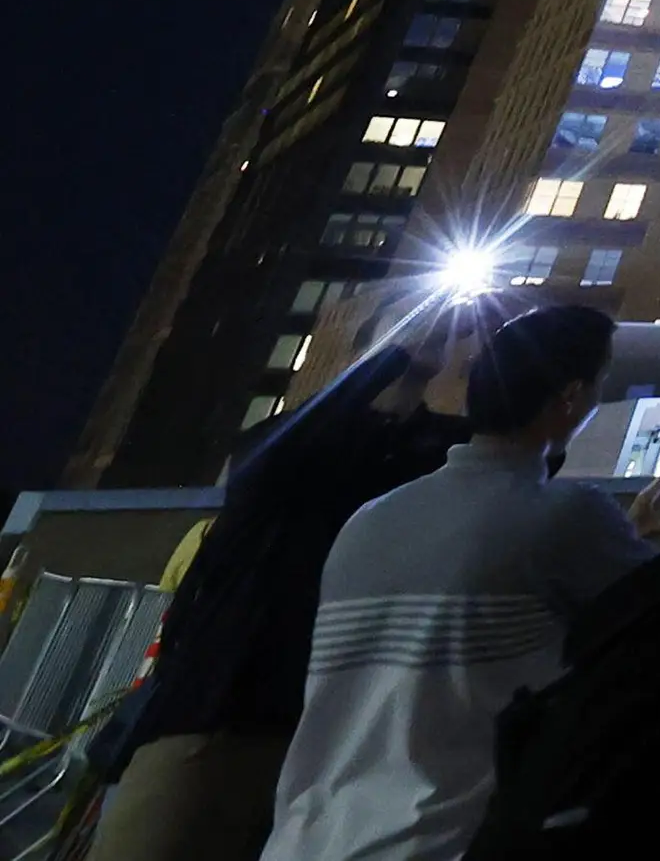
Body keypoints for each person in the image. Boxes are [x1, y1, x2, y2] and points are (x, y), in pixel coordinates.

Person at [253, 304, 660, 861]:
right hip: (437, 843)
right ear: (571, 396)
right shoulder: (563, 514)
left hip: (306, 842)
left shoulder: (369, 520)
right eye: (600, 382)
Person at [91, 331, 479, 861]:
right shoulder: (286, 439)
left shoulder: (435, 450)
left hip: (342, 746)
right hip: (218, 723)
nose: (436, 329)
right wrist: (392, 356)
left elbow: (519, 453)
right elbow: (281, 452)